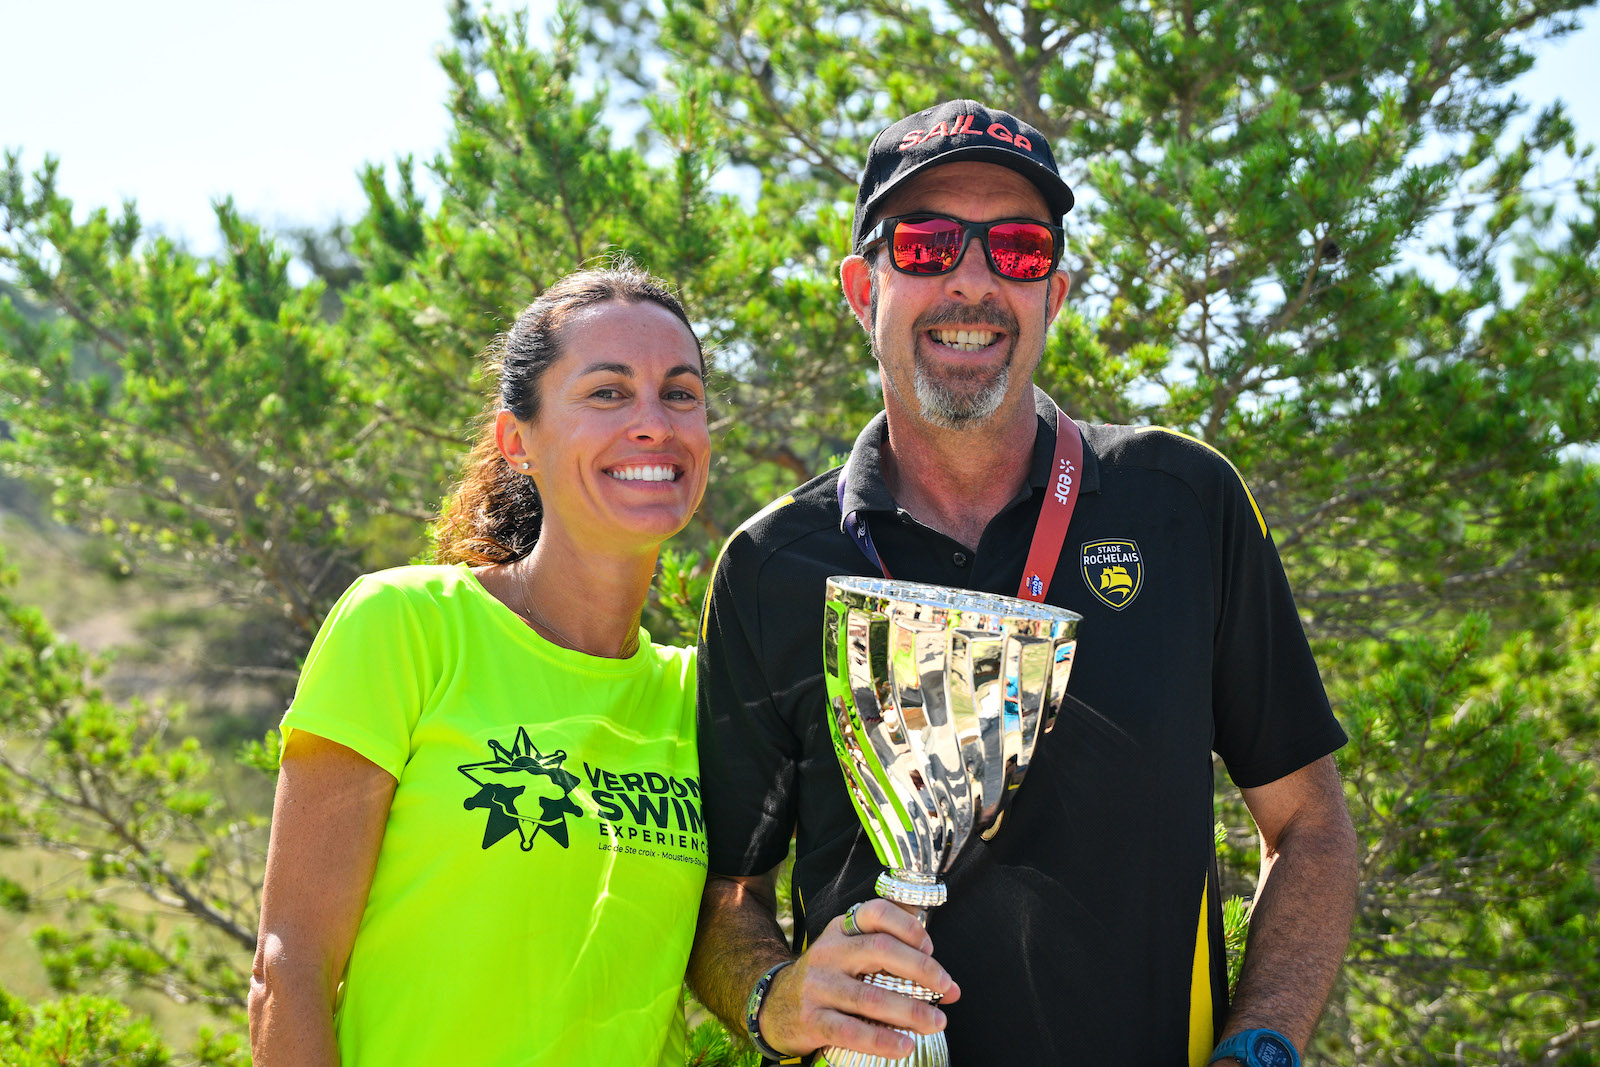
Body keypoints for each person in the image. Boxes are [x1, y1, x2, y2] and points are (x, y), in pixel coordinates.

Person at [688, 100, 1359, 1067]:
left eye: (1018, 248)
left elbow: (1310, 825)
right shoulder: (769, 564)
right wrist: (773, 996)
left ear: (1055, 293)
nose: (973, 280)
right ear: (863, 291)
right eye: (925, 245)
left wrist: (1261, 1043)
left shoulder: (1183, 503)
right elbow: (726, 894)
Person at [249, 263, 713, 1067]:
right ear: (517, 440)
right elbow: (289, 967)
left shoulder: (703, 696)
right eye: (607, 392)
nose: (653, 423)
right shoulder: (407, 626)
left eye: (680, 393)